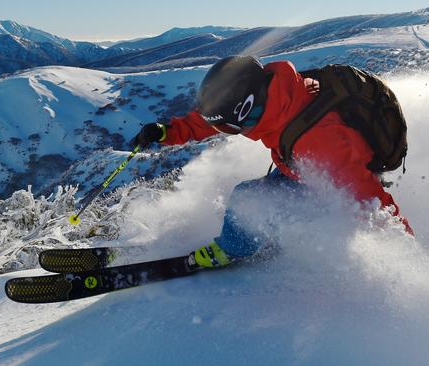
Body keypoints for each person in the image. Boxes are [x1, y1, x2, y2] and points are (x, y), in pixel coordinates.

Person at [131, 55, 412, 269]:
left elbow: (368, 200)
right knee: (269, 191)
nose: (231, 132)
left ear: (247, 110)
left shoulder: (316, 143)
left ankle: (228, 251)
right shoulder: (282, 95)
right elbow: (217, 116)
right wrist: (168, 132)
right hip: (302, 167)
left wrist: (408, 257)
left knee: (248, 200)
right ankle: (266, 234)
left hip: (323, 181)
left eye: (231, 128)